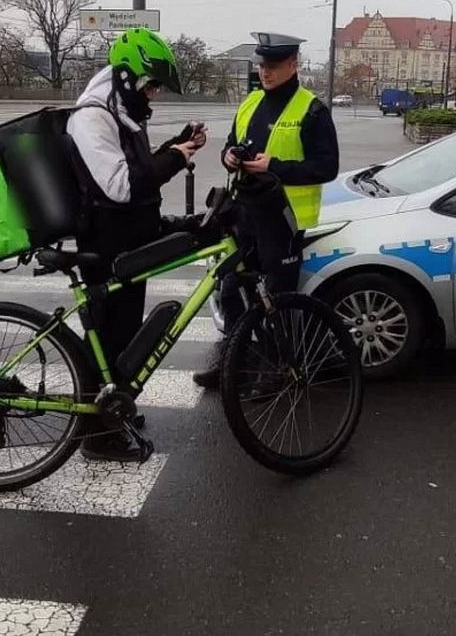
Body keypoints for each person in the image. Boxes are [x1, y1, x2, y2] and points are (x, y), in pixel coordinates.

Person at [68, 27, 206, 460]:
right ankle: (96, 436)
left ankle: (113, 408)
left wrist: (176, 144)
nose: (154, 95)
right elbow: (120, 186)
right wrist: (176, 158)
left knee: (125, 333)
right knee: (108, 339)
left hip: (126, 240)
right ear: (126, 77)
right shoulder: (92, 117)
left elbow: (139, 168)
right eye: (151, 85)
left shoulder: (120, 113)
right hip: (106, 244)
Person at [192, 32, 339, 389]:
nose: (265, 72)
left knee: (277, 300)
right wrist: (228, 157)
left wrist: (276, 167)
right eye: (261, 66)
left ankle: (278, 370)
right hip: (243, 214)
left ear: (293, 65)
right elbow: (232, 145)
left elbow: (327, 167)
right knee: (231, 290)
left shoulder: (312, 109)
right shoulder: (250, 103)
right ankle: (235, 363)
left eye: (272, 66)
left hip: (282, 221)